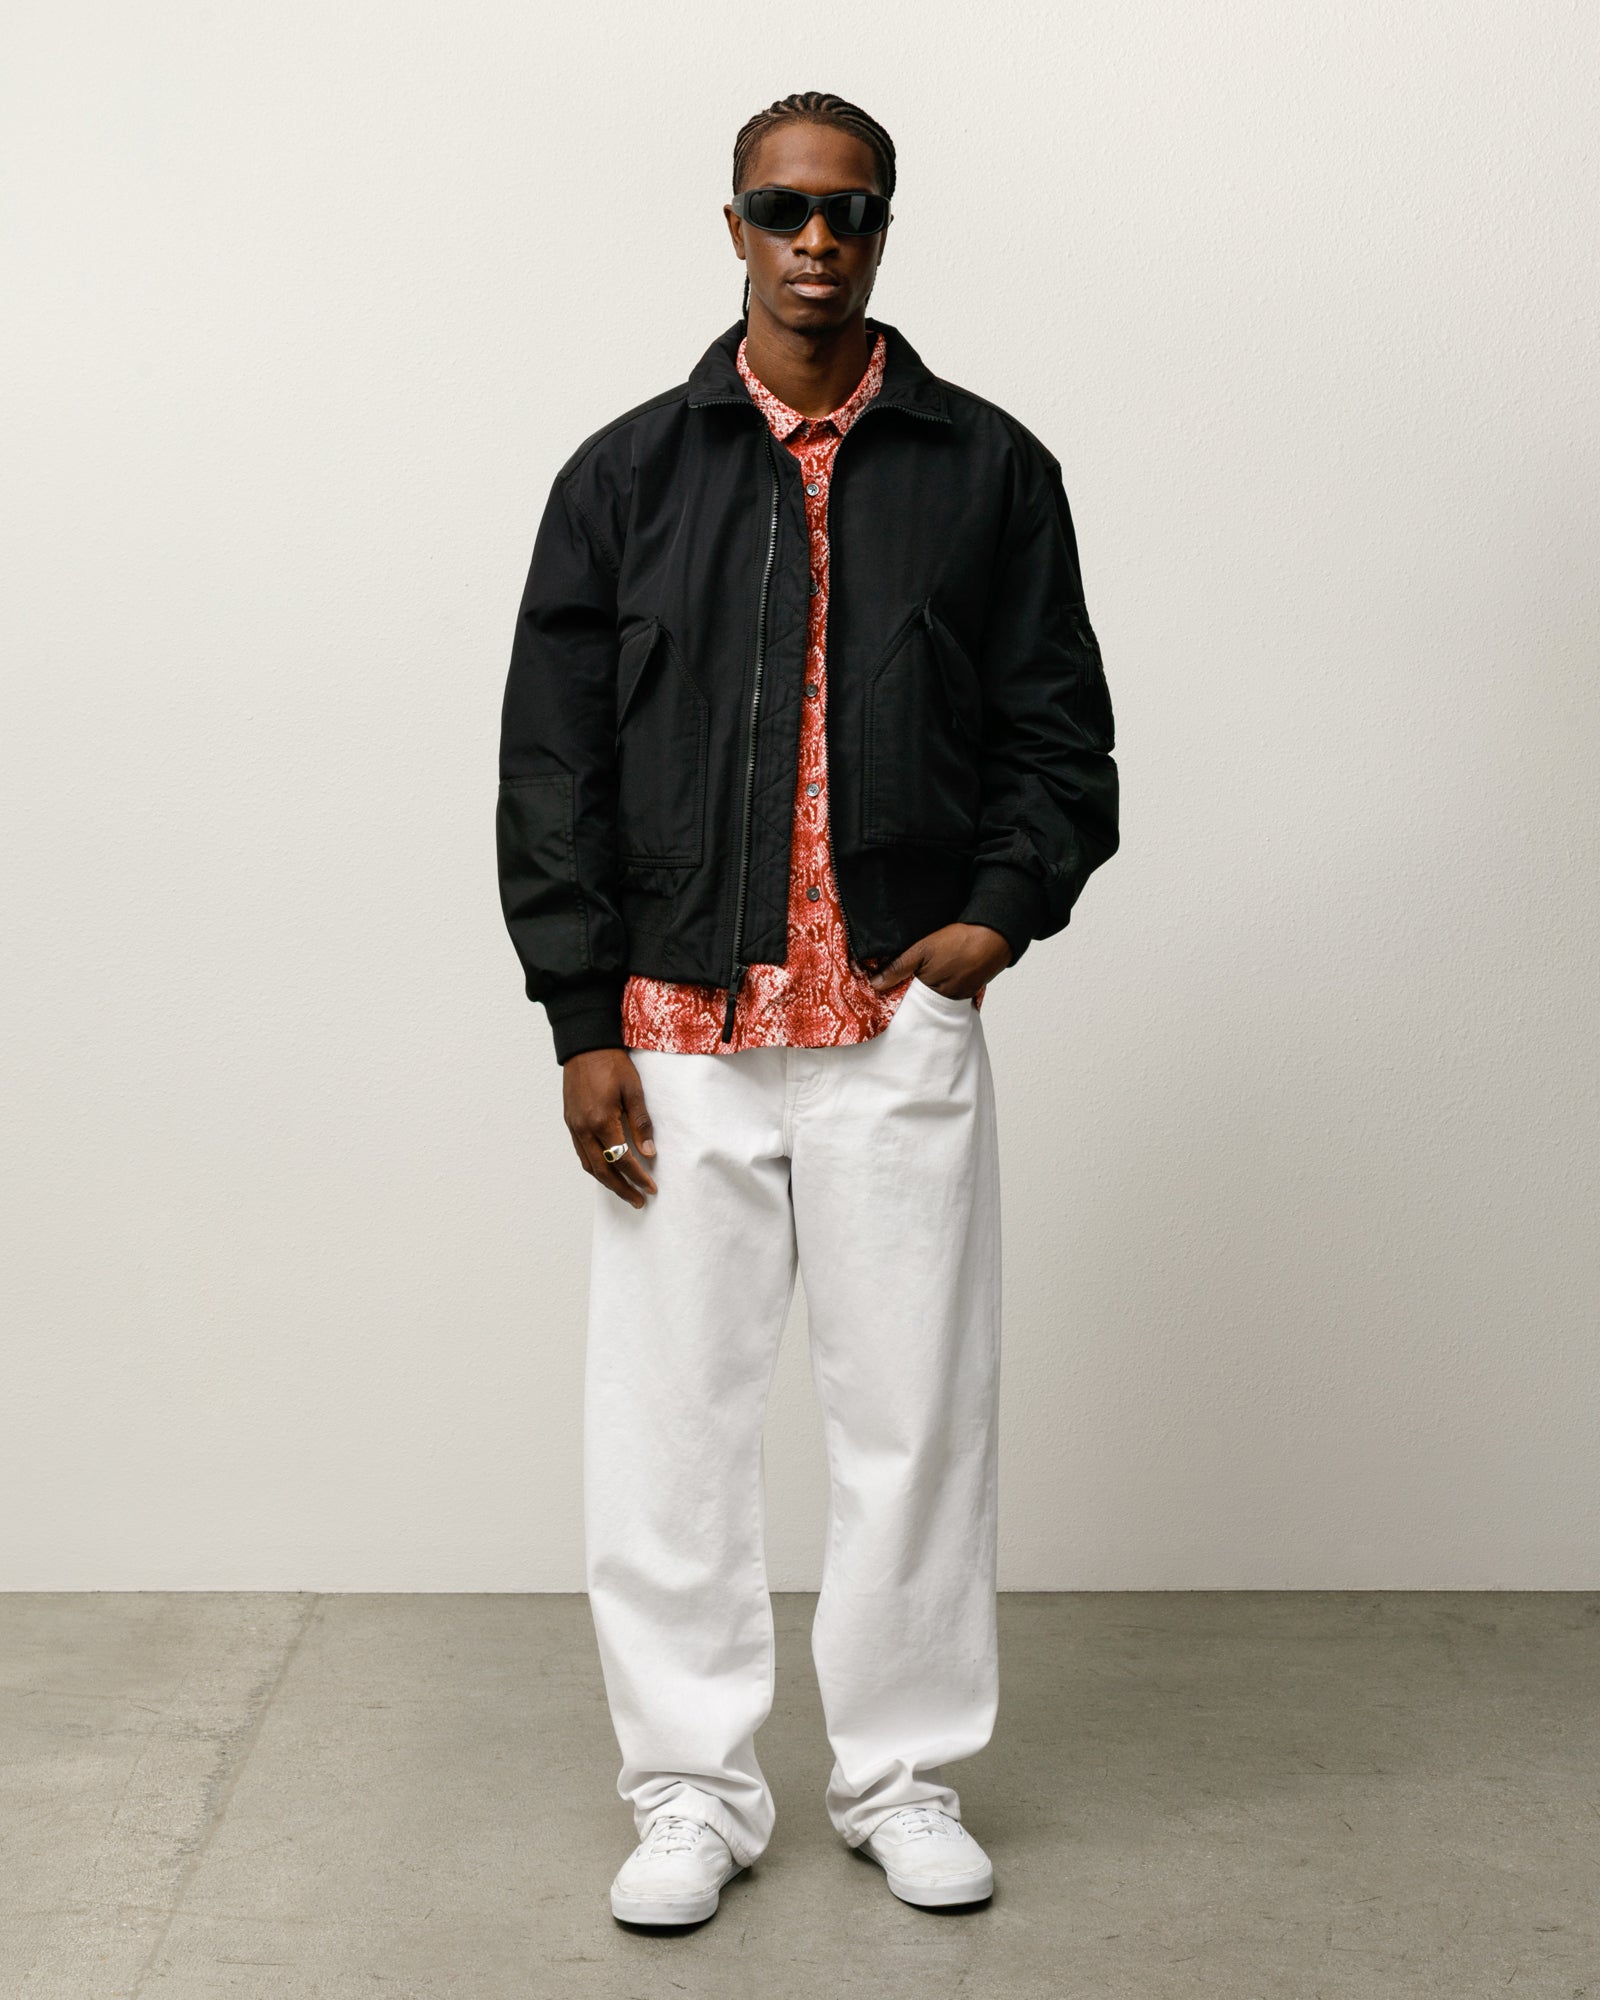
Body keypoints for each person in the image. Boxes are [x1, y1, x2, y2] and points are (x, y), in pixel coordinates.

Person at [497, 90, 1119, 1927]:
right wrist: (579, 1018)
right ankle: (690, 1792)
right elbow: (552, 766)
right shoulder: (625, 476)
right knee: (669, 1428)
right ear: (735, 227)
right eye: (783, 209)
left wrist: (996, 919)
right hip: (676, 1027)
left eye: (848, 210)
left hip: (892, 1015)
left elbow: (1059, 733)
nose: (816, 240)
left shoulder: (990, 469)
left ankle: (901, 1775)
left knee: (915, 1419)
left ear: (884, 229)